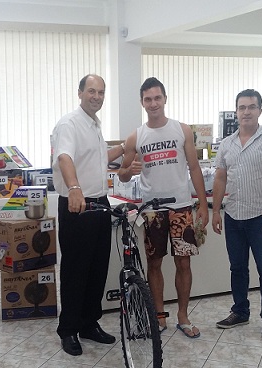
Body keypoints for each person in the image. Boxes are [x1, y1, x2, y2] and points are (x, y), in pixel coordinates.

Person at [118, 77, 209, 339]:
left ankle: (183, 316)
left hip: (181, 206)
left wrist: (202, 204)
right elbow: (122, 175)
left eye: (158, 98)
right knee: (154, 263)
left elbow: (194, 168)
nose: (153, 103)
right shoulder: (136, 136)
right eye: (148, 99)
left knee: (184, 262)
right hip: (152, 211)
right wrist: (128, 170)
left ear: (165, 99)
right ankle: (158, 316)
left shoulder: (182, 130)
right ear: (142, 103)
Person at [51, 74, 126, 356]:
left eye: (101, 92)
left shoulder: (94, 124)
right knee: (75, 269)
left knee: (97, 267)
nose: (97, 96)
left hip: (99, 203)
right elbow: (65, 157)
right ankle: (69, 329)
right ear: (80, 92)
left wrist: (126, 146)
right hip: (77, 205)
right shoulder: (69, 123)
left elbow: (97, 158)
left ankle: (89, 323)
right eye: (92, 91)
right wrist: (74, 188)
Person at [210, 89, 262, 340]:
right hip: (233, 216)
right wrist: (215, 211)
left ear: (260, 111)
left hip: (261, 217)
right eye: (242, 107)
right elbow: (221, 178)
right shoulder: (227, 144)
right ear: (236, 112)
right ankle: (240, 311)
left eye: (251, 107)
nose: (246, 112)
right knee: (237, 268)